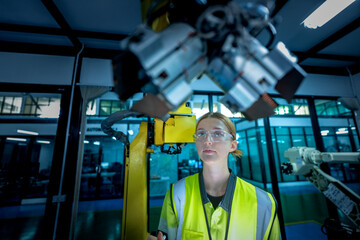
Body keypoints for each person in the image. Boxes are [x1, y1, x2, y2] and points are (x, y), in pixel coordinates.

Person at [156, 112, 281, 240]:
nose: (207, 141)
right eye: (201, 134)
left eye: (217, 134)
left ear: (232, 145)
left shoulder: (263, 202)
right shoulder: (176, 194)